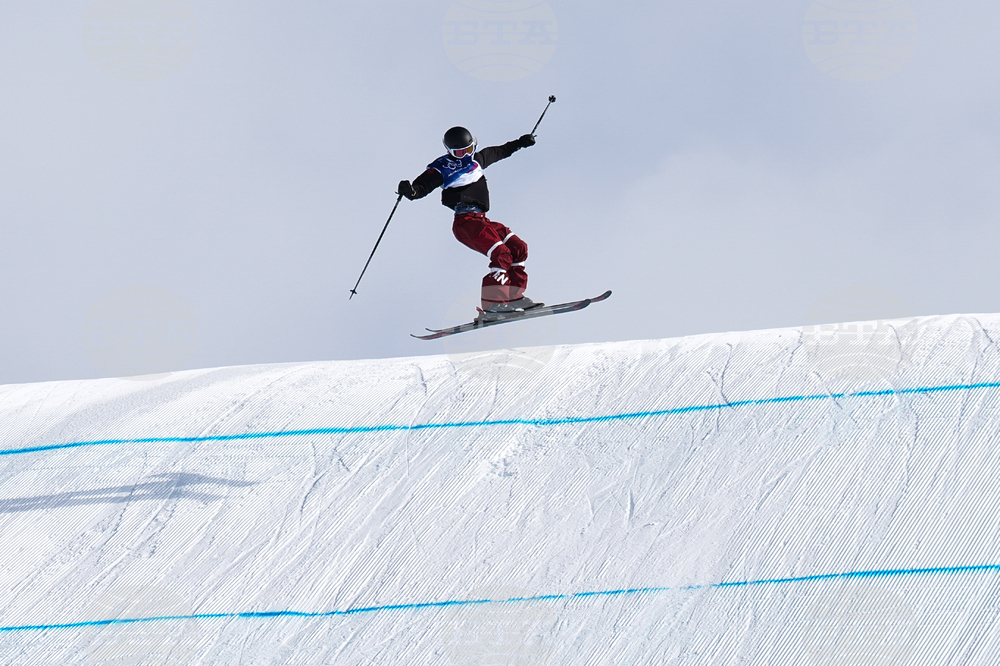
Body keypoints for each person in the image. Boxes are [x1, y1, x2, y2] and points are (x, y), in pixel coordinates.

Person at [397, 126, 541, 321]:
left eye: (468, 149)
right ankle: (492, 305)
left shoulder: (478, 160)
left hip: (483, 220)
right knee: (501, 254)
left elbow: (501, 151)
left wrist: (521, 143)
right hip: (466, 223)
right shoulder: (442, 168)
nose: (464, 155)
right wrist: (410, 191)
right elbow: (422, 187)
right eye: (459, 152)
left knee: (518, 247)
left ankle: (513, 298)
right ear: (449, 151)